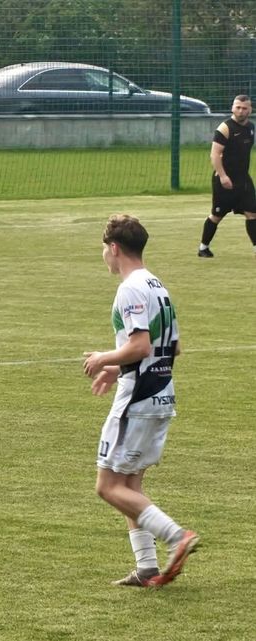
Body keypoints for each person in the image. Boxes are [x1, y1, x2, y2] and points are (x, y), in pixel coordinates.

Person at [83, 214, 199, 587]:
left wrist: (104, 357)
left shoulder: (131, 288)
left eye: (104, 248)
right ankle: (147, 567)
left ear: (114, 248)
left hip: (139, 399)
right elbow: (173, 346)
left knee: (108, 486)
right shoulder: (157, 286)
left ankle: (176, 536)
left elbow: (141, 345)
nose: (104, 255)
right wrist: (119, 368)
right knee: (130, 486)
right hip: (161, 393)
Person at [198, 94, 255, 258]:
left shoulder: (251, 128)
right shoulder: (225, 128)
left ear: (250, 109)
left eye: (244, 108)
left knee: (252, 213)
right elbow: (215, 154)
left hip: (243, 179)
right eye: (238, 107)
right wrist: (223, 176)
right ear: (232, 108)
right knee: (217, 215)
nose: (241, 111)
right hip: (225, 180)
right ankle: (203, 248)